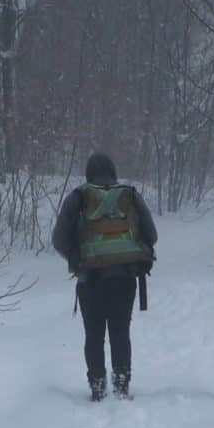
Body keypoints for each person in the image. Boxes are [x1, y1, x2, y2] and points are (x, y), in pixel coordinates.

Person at [51, 151, 158, 401]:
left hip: (91, 280)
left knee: (94, 334)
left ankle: (97, 387)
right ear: (113, 171)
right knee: (120, 332)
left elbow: (58, 239)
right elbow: (151, 235)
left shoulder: (78, 197)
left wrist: (77, 258)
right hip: (125, 278)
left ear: (89, 173)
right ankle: (122, 385)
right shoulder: (129, 195)